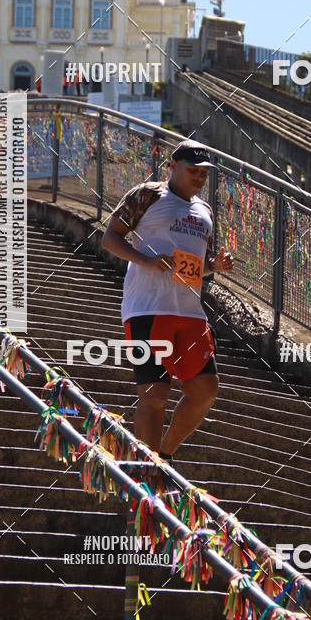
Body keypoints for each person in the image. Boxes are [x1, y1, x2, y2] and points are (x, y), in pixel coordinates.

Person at [101, 139, 233, 463]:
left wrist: (214, 266)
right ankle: (146, 469)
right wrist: (145, 260)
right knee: (155, 393)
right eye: (193, 171)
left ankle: (164, 457)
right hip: (147, 308)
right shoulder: (147, 195)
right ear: (172, 167)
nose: (199, 178)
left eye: (204, 173)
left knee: (205, 389)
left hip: (189, 311)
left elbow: (194, 266)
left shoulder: (205, 211)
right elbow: (110, 237)